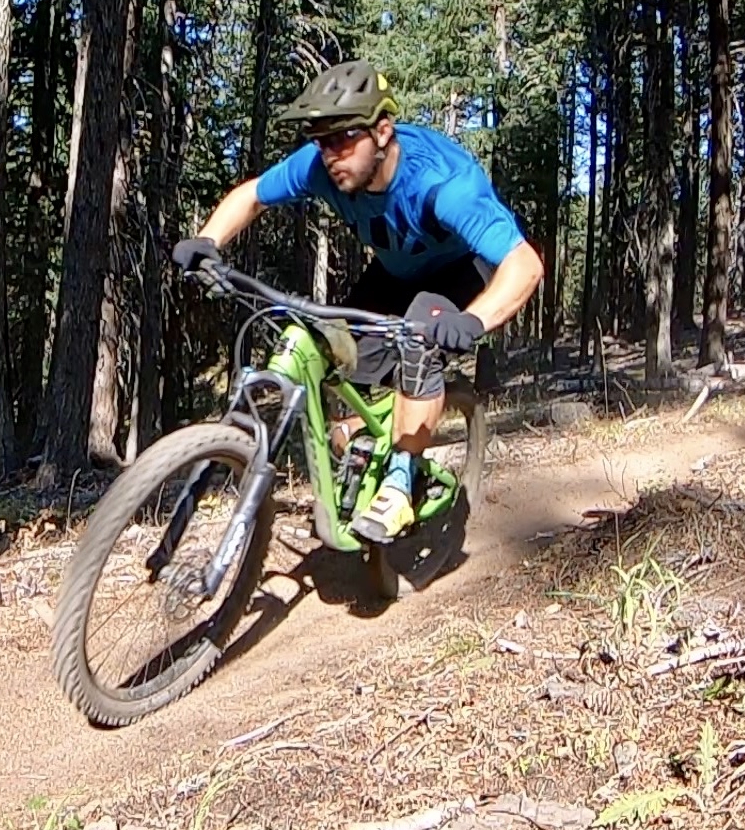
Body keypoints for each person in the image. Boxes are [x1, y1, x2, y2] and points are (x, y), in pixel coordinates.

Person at [172, 59, 545, 544]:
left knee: (419, 340)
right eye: (321, 140)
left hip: (461, 272)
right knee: (331, 350)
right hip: (394, 272)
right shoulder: (321, 166)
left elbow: (525, 264)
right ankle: (358, 454)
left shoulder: (445, 186)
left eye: (344, 138)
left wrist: (474, 319)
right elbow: (253, 196)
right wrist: (208, 241)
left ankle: (401, 480)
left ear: (383, 131)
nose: (330, 153)